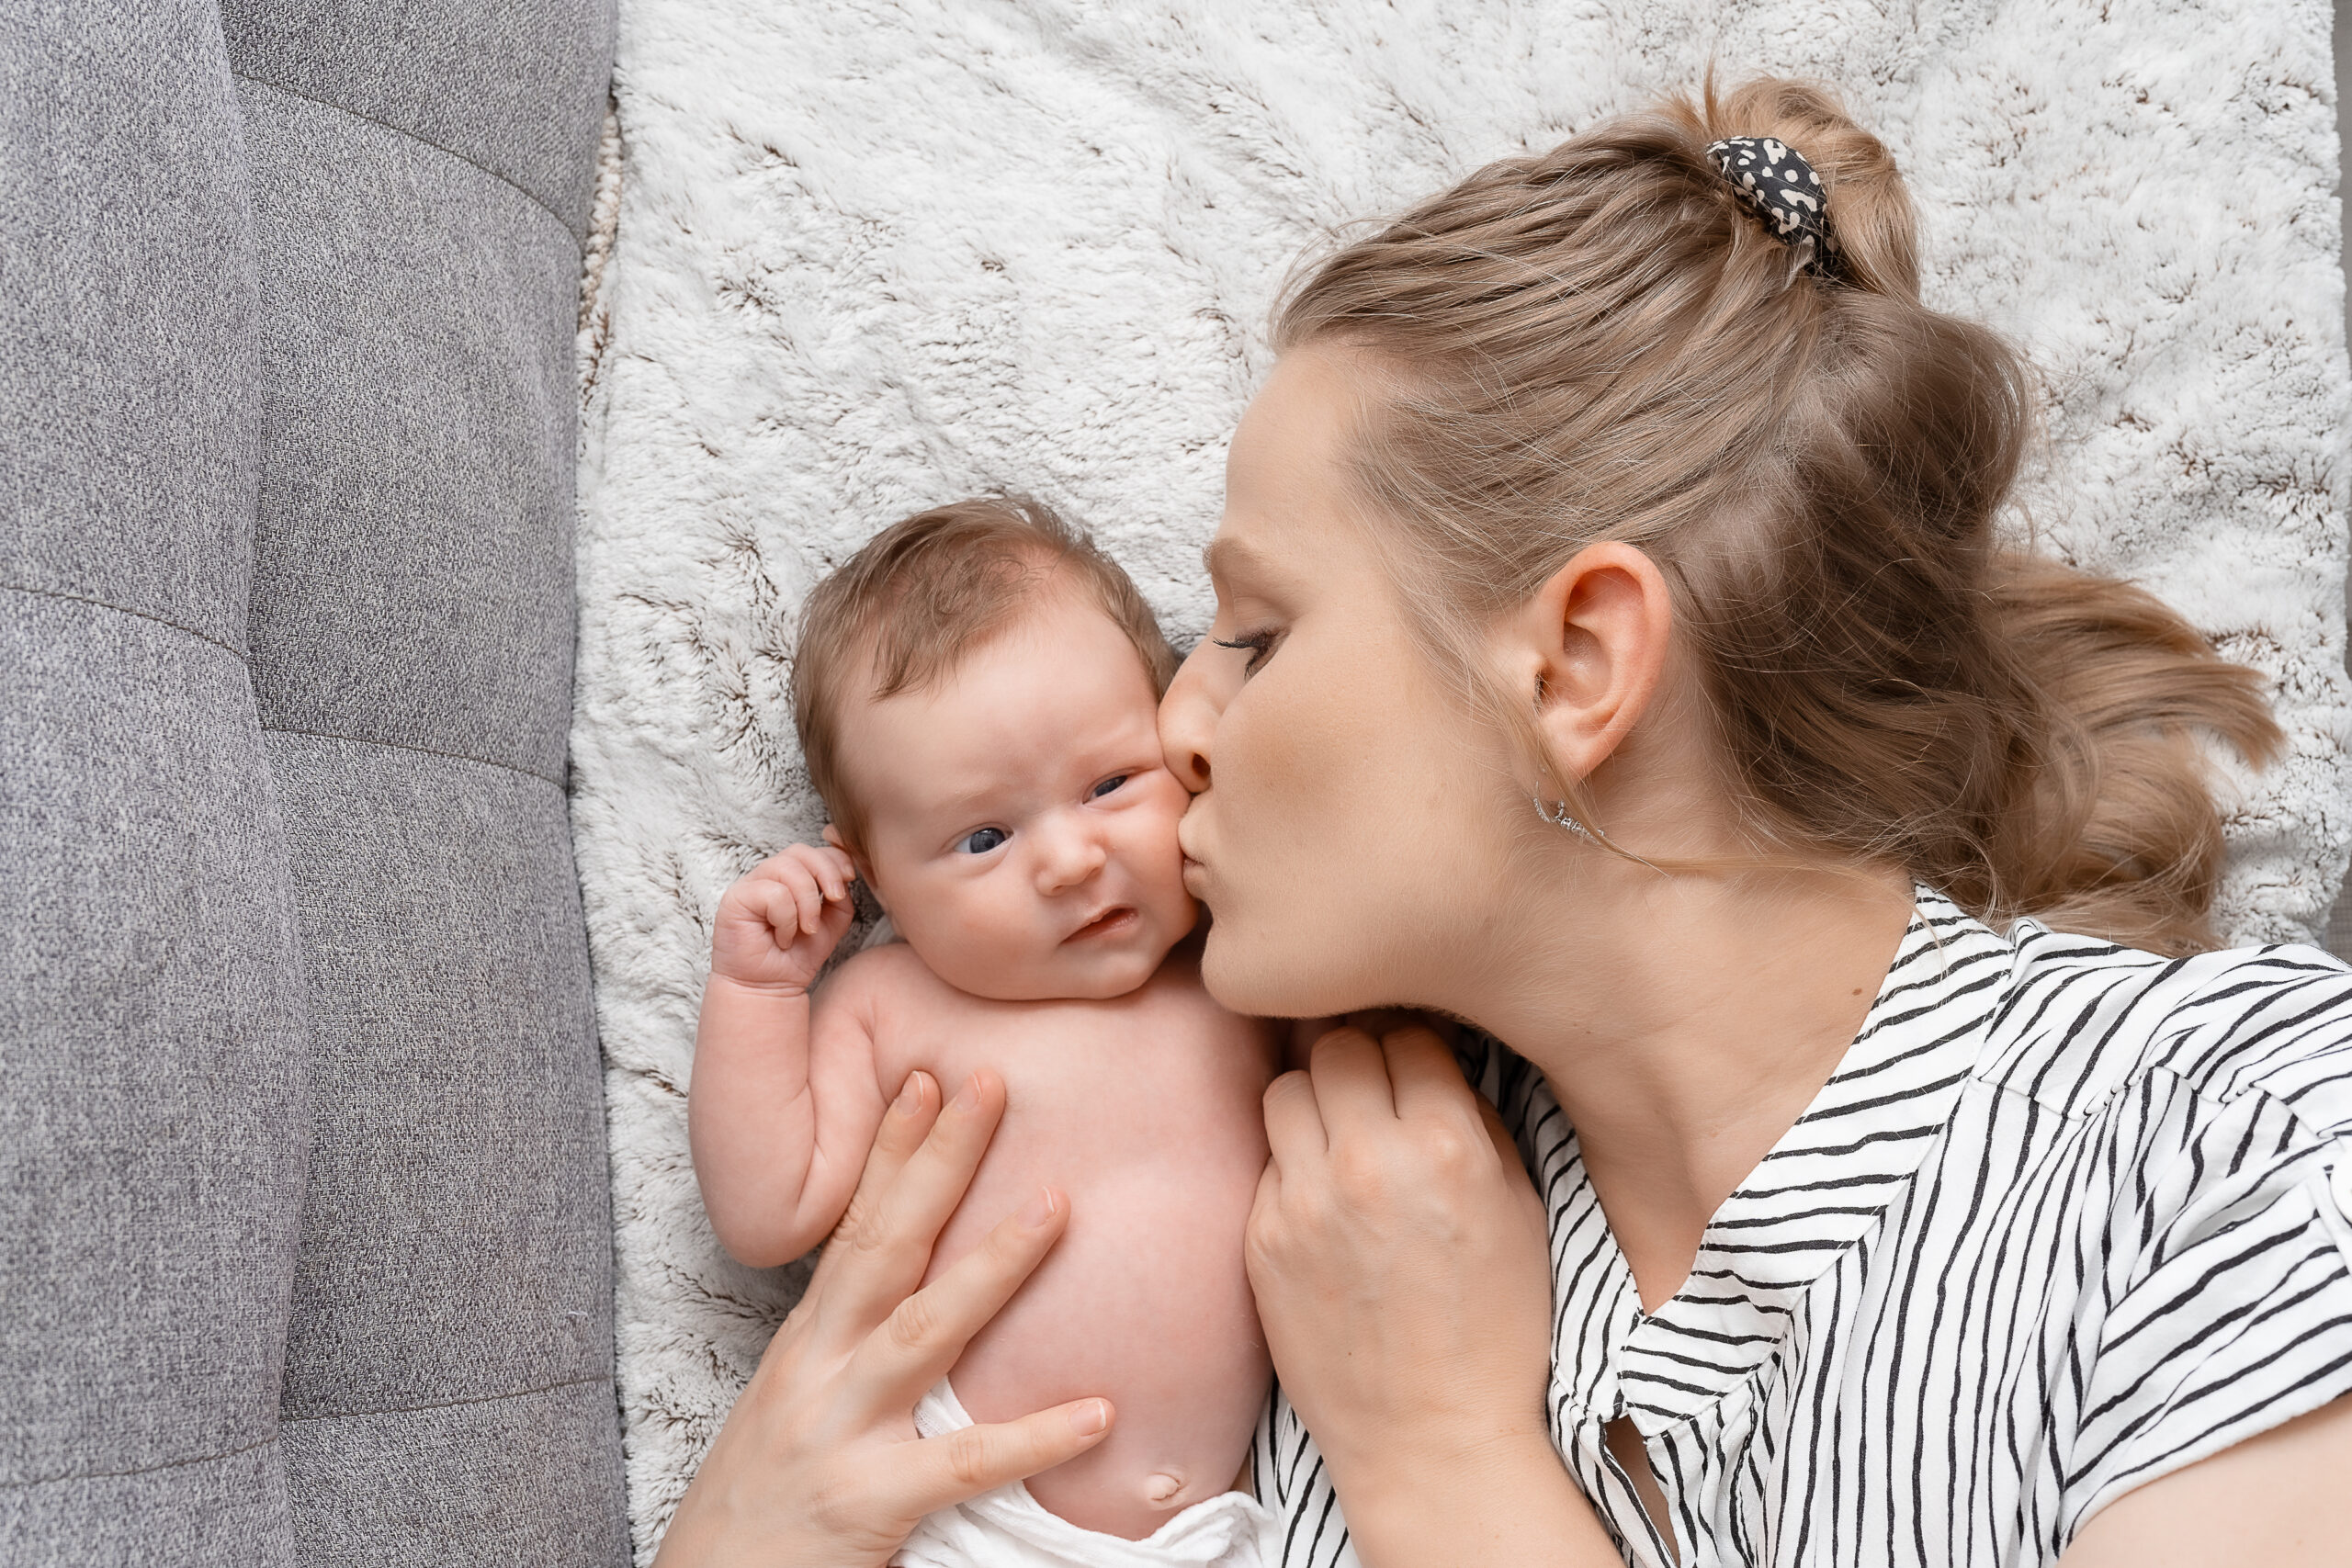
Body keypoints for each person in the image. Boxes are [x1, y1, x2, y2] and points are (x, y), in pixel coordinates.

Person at [654, 75, 2352, 1568]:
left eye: (1252, 634)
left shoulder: (2250, 1151)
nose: (1175, 726)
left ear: (1579, 663)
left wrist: (1445, 1464)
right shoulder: (1330, 1205)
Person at [689, 499, 1280, 1562]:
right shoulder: (893, 1004)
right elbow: (767, 1210)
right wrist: (761, 993)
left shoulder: (1238, 967)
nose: (1067, 861)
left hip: (1239, 1523)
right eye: (982, 837)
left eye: (1109, 784)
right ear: (875, 878)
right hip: (969, 1515)